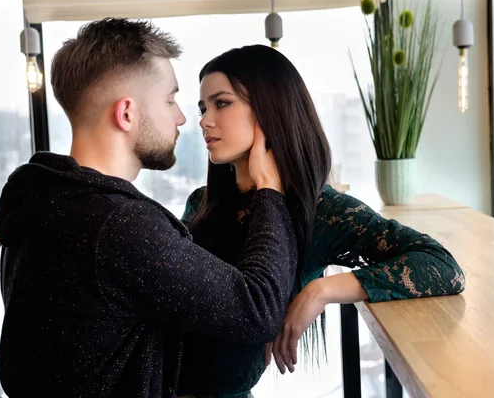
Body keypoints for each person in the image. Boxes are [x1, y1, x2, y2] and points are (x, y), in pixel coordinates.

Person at [0, 19, 300, 397]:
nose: (183, 117)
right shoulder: (118, 225)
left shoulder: (44, 199)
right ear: (126, 113)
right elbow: (258, 310)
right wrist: (270, 191)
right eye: (170, 100)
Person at [174, 45, 466, 398]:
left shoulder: (318, 209)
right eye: (203, 108)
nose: (204, 120)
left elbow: (440, 265)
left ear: (269, 110)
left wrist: (320, 291)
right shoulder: (200, 204)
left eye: (222, 103)